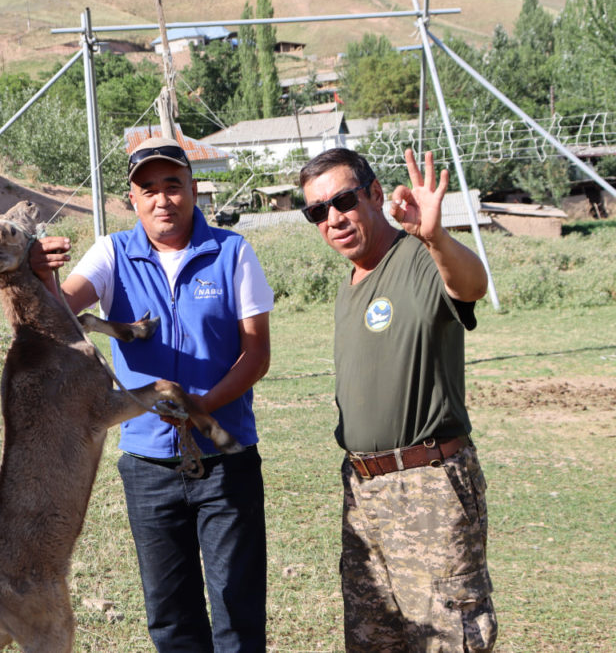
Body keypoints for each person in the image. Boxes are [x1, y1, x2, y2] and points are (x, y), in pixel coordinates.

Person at [32, 137, 273, 651]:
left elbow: (256, 356)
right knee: (169, 612)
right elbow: (58, 314)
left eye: (173, 185)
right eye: (148, 189)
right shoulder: (113, 253)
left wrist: (200, 408)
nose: (162, 199)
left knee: (238, 607)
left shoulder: (231, 252)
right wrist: (38, 275)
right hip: (147, 464)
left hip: (225, 455)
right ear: (131, 199)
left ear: (192, 190)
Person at [299, 147, 497, 651]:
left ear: (375, 194)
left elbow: (471, 285)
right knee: (373, 639)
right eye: (317, 211)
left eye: (342, 201)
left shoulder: (417, 257)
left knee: (448, 638)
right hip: (364, 492)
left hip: (427, 487)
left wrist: (434, 236)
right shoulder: (349, 285)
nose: (333, 219)